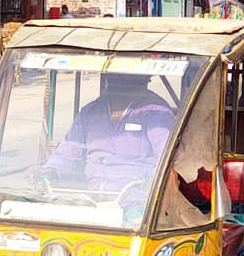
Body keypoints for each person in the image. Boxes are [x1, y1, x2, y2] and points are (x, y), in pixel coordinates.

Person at [38, 73, 174, 206]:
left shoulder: (156, 112)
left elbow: (167, 158)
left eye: (124, 74)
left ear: (143, 77)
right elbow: (69, 149)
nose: (119, 78)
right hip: (92, 200)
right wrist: (50, 170)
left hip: (137, 204)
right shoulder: (90, 111)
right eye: (114, 74)